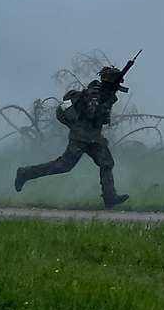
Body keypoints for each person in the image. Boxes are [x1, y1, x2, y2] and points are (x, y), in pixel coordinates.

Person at [14, 66, 130, 208]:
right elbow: (92, 114)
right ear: (109, 81)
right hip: (81, 137)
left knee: (107, 164)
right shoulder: (95, 94)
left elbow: (103, 119)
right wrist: (105, 100)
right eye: (116, 81)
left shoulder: (105, 94)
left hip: (93, 137)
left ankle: (110, 197)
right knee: (64, 166)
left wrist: (109, 98)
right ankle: (25, 173)